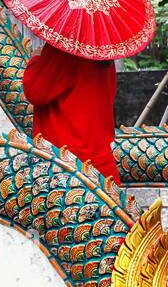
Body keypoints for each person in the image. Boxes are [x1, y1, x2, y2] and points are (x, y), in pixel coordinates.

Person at [22, 39, 121, 183]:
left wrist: (36, 58)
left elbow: (34, 92)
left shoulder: (64, 46)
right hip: (101, 166)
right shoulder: (103, 51)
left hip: (68, 165)